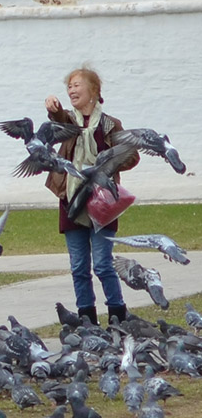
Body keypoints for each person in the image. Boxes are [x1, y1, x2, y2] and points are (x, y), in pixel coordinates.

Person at [44, 67, 139, 326]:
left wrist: (107, 165)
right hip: (72, 201)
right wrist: (53, 108)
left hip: (102, 203)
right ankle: (87, 319)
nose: (71, 90)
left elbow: (132, 156)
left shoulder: (110, 124)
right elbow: (58, 119)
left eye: (77, 85)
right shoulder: (69, 122)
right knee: (78, 267)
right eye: (69, 86)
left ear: (94, 90)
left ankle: (118, 315)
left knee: (103, 265)